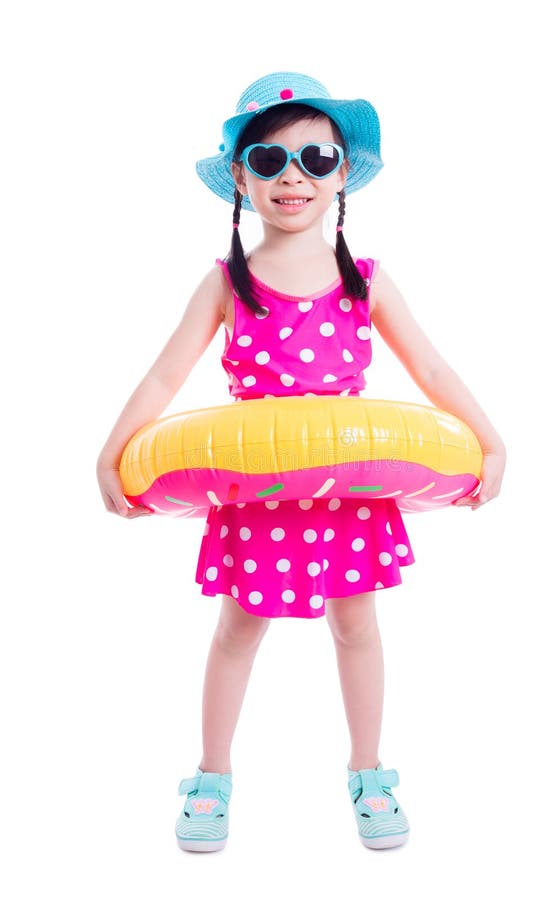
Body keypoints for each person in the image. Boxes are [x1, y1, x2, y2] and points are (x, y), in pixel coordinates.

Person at [97, 71, 506, 853]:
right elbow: (162, 374)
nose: (294, 177)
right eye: (269, 159)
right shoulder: (226, 283)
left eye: (316, 159)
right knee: (237, 630)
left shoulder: (368, 282)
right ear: (242, 180)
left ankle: (370, 772)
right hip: (259, 493)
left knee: (357, 626)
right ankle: (211, 778)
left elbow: (434, 371)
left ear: (343, 173)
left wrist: (490, 439)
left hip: (347, 493)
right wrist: (109, 455)